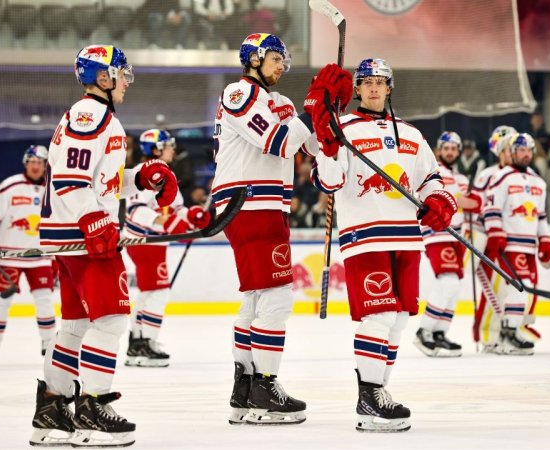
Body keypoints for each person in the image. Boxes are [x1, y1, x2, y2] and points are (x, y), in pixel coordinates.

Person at [30, 45, 179, 447]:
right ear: (103, 77)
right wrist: (93, 221)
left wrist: (142, 177)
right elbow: (69, 178)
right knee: (111, 320)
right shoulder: (90, 113)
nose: (127, 81)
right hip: (82, 238)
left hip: (72, 234)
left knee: (77, 325)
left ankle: (52, 410)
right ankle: (94, 409)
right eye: (122, 74)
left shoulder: (98, 116)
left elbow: (101, 182)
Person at [212, 33, 351, 425]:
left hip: (266, 205)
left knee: (257, 297)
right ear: (253, 59)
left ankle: (245, 388)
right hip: (248, 202)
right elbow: (278, 143)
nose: (281, 66)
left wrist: (328, 114)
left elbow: (305, 144)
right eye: (275, 58)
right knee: (275, 297)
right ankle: (264, 386)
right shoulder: (239, 94)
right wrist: (313, 107)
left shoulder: (281, 102)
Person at [311, 58, 455, 432]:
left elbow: (430, 179)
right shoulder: (342, 128)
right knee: (378, 314)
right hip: (366, 236)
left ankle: (379, 392)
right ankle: (369, 395)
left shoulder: (410, 134)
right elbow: (328, 182)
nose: (373, 88)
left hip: (407, 238)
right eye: (366, 82)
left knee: (400, 319)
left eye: (380, 82)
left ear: (390, 88)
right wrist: (328, 145)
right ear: (356, 89)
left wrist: (441, 201)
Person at [123, 129, 211, 368]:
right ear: (156, 149)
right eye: (169, 145)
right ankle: (145, 343)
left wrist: (192, 214)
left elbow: (176, 207)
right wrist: (170, 223)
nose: (173, 149)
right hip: (144, 243)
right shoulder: (142, 175)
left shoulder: (166, 174)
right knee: (158, 291)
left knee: (150, 292)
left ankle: (138, 343)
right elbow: (136, 212)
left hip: (155, 242)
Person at [0, 145, 55, 362]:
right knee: (1, 300)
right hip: (8, 254)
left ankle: (48, 342)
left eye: (40, 163)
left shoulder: (54, 187)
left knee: (45, 300)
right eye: (32, 162)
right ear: (26, 163)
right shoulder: (10, 185)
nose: (36, 166)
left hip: (41, 255)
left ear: (45, 165)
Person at [482, 133, 550, 356]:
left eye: (528, 150)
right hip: (510, 245)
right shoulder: (502, 177)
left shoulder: (538, 182)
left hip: (529, 247)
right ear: (512, 152)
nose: (525, 154)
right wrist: (496, 234)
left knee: (522, 291)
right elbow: (491, 208)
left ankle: (510, 331)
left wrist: (545, 240)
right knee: (518, 289)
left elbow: (541, 216)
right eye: (521, 150)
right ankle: (508, 333)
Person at [414, 131, 480, 358]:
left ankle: (440, 332)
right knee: (448, 280)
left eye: (454, 148)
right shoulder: (434, 172)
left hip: (458, 237)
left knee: (455, 286)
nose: (450, 152)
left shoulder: (462, 178)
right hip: (437, 233)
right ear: (439, 150)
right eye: (446, 148)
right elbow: (461, 200)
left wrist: (472, 201)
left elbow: (474, 203)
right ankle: (425, 331)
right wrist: (464, 201)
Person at [470, 125, 517, 352]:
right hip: (487, 237)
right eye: (509, 148)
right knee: (494, 288)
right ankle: (489, 336)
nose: (513, 152)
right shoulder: (487, 174)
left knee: (507, 290)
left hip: (511, 239)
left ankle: (509, 332)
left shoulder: (524, 175)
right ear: (499, 151)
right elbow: (477, 203)